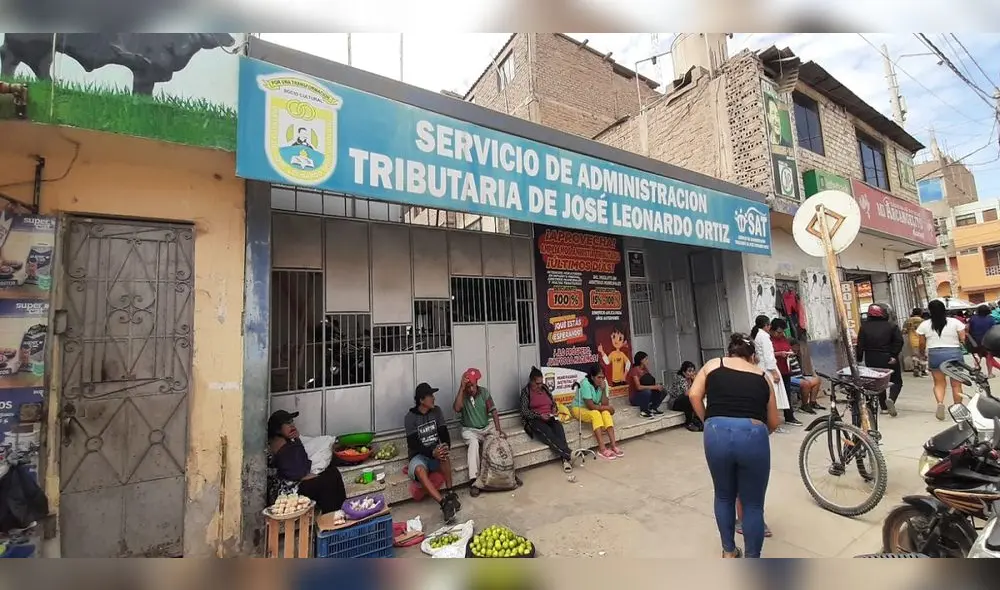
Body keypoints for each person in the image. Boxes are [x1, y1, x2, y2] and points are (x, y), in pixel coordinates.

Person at [689, 333, 781, 558]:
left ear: (729, 352)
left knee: (723, 496)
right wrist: (757, 433)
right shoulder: (762, 375)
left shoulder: (713, 365)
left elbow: (693, 394)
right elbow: (774, 421)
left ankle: (729, 551)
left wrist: (708, 420)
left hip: (716, 432)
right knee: (752, 506)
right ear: (752, 357)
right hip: (753, 434)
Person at [267, 410, 347, 513]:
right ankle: (331, 516)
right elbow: (297, 472)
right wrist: (314, 476)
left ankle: (339, 512)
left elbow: (302, 460)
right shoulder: (278, 443)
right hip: (288, 491)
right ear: (277, 429)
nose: (292, 425)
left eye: (292, 421)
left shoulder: (290, 440)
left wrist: (296, 440)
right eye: (287, 423)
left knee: (332, 473)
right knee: (325, 482)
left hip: (297, 479)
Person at [405, 383, 460, 521]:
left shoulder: (437, 411)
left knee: (444, 454)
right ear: (421, 400)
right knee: (419, 470)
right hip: (419, 456)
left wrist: (446, 445)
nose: (434, 398)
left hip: (435, 452)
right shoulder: (410, 417)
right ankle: (443, 503)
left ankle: (450, 493)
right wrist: (431, 454)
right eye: (430, 396)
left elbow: (443, 432)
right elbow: (413, 444)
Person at [453, 367, 504, 497]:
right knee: (474, 444)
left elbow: (493, 411)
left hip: (485, 428)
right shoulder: (463, 394)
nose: (471, 389)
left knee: (497, 441)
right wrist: (461, 388)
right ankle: (474, 481)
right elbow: (457, 408)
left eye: (473, 386)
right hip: (470, 430)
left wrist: (499, 430)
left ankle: (504, 475)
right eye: (468, 386)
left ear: (477, 384)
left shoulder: (484, 393)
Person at [916, 299, 968, 421]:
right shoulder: (955, 322)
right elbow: (963, 338)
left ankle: (940, 403)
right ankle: (958, 407)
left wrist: (922, 354)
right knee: (956, 384)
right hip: (954, 353)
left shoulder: (924, 324)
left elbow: (922, 343)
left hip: (935, 354)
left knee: (939, 383)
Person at [520, 366, 574, 473]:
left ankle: (565, 458)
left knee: (558, 427)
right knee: (548, 432)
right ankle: (568, 454)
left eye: (541, 382)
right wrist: (540, 416)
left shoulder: (544, 388)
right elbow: (524, 412)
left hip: (549, 416)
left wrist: (554, 409)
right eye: (537, 383)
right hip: (535, 419)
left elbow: (552, 402)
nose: (540, 385)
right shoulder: (526, 392)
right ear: (531, 382)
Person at [856, 303, 904, 417]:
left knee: (879, 382)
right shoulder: (891, 326)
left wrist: (859, 358)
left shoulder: (864, 327)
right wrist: (893, 354)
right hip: (888, 358)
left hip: (871, 358)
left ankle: (883, 407)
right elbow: (899, 341)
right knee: (896, 381)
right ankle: (891, 399)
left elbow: (860, 345)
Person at [751, 315, 796, 428]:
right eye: (769, 325)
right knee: (773, 396)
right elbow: (769, 356)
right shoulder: (765, 337)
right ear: (766, 325)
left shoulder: (758, 336)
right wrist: (774, 372)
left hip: (763, 367)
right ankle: (773, 423)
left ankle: (770, 421)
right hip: (768, 369)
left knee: (769, 395)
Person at [571, 364, 623, 460]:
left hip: (595, 407)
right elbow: (590, 406)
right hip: (580, 408)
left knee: (606, 413)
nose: (601, 380)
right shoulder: (585, 384)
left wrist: (603, 390)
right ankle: (602, 449)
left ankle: (613, 445)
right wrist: (608, 408)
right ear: (592, 376)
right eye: (599, 377)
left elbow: (604, 403)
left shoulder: (603, 383)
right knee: (596, 414)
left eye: (603, 377)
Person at [787, 339, 824, 414]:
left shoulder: (796, 355)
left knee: (817, 380)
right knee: (806, 384)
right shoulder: (787, 356)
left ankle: (812, 402)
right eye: (795, 347)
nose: (797, 349)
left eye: (798, 347)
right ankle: (804, 405)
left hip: (800, 377)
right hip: (791, 379)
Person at [628, 351, 667, 418]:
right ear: (641, 360)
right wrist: (654, 387)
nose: (647, 361)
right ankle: (644, 411)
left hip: (646, 395)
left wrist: (658, 386)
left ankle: (653, 408)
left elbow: (649, 382)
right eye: (646, 359)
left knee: (663, 391)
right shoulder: (634, 371)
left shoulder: (645, 369)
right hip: (635, 397)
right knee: (647, 392)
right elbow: (638, 387)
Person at [666, 360, 702, 431]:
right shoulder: (681, 379)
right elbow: (687, 393)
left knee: (696, 398)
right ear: (684, 372)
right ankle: (688, 423)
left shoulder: (690, 379)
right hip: (675, 402)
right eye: (689, 371)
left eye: (693, 371)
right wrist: (695, 382)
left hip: (686, 402)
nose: (691, 373)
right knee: (687, 398)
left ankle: (698, 420)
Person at [968, 304, 1000, 378]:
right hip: (988, 340)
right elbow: (994, 329)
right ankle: (990, 373)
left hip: (976, 340)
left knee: (978, 356)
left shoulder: (973, 318)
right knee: (989, 357)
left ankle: (976, 370)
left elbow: (967, 329)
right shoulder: (991, 319)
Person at [903, 308, 929, 377]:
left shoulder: (907, 321)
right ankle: (923, 371)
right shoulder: (923, 321)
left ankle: (916, 367)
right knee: (923, 355)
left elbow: (904, 331)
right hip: (922, 340)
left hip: (912, 341)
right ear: (920, 313)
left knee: (915, 355)